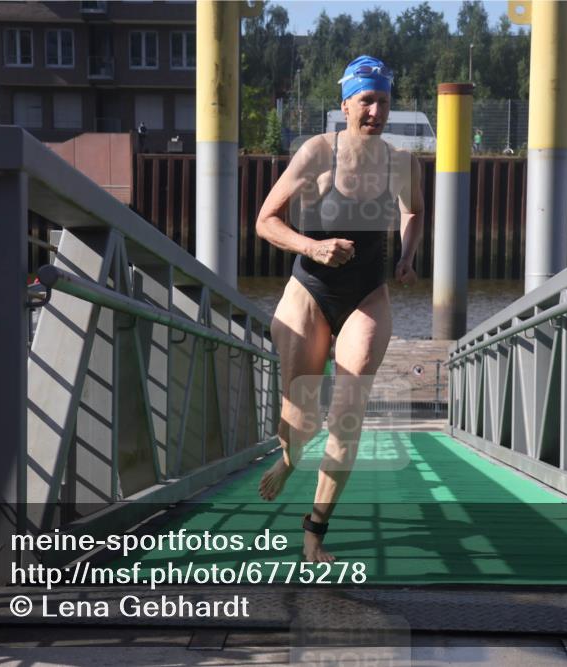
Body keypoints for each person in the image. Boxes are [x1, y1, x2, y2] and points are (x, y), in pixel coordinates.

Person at [254, 55, 424, 562]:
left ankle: (314, 532)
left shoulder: (402, 162)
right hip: (309, 290)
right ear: (345, 104)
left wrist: (408, 256)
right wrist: (313, 247)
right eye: (367, 100)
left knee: (347, 416)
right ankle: (289, 457)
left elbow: (414, 210)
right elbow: (266, 220)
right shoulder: (317, 153)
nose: (376, 111)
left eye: (384, 102)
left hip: (367, 295)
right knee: (299, 419)